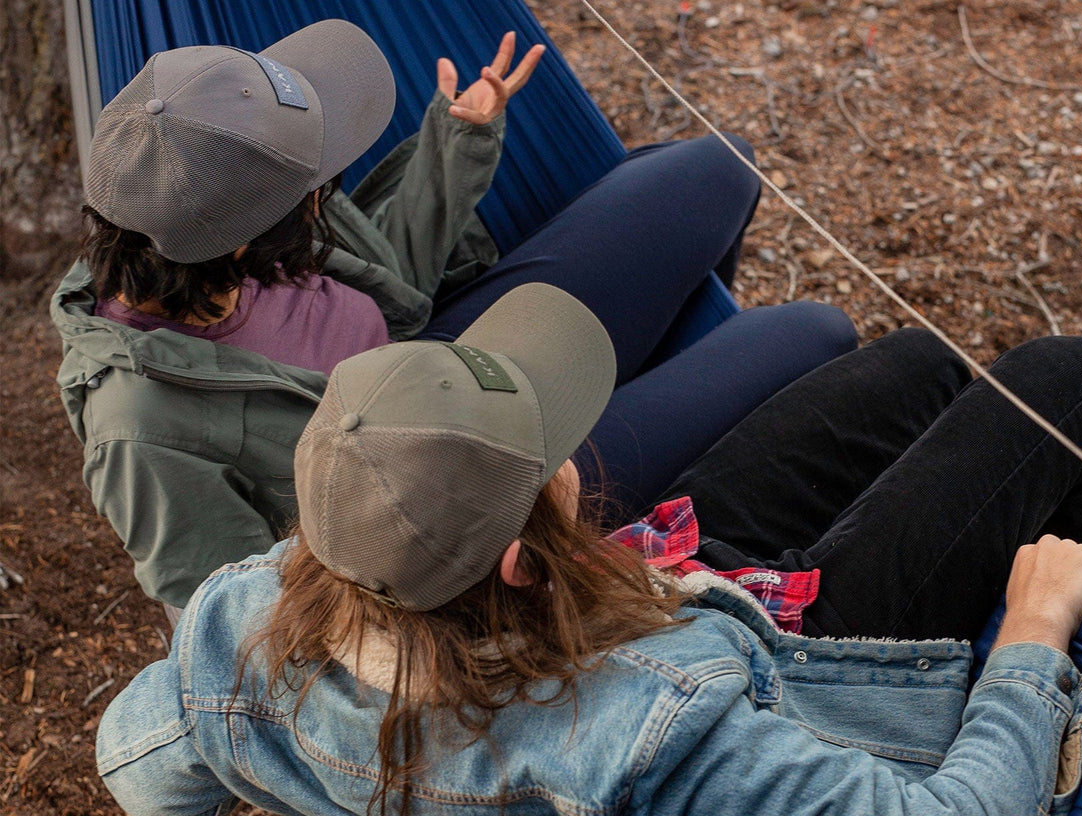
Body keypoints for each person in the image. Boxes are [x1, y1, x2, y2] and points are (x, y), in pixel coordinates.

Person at [96, 283, 1082, 816]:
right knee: (1072, 385)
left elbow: (142, 777)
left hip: (639, 600)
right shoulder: (665, 735)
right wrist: (1030, 638)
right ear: (521, 554)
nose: (578, 456)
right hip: (784, 657)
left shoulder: (244, 633)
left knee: (920, 367)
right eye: (552, 460)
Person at [52, 19, 857, 609]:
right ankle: (661, 469)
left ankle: (668, 386)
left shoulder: (183, 214)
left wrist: (454, 144)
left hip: (453, 341)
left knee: (717, 172)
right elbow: (232, 613)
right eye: (318, 183)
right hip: (460, 471)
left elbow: (389, 284)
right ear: (249, 238)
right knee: (816, 334)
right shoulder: (142, 426)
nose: (328, 185)